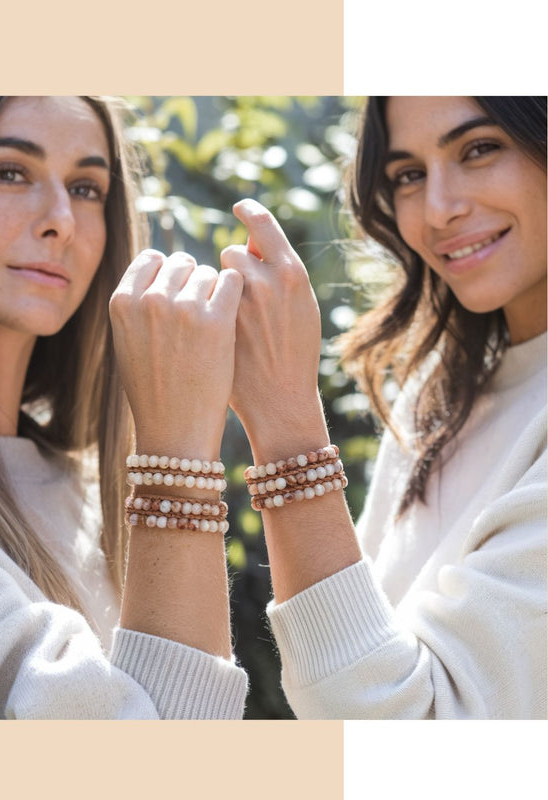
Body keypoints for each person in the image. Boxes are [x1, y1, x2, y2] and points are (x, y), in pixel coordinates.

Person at [119, 95, 546, 719]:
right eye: (407, 174)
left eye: (479, 149)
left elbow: (395, 733)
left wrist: (285, 415)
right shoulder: (438, 391)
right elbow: (369, 662)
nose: (439, 208)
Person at [0, 95, 248, 719]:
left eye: (87, 187)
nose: (61, 220)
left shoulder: (97, 491)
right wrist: (178, 446)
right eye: (10, 172)